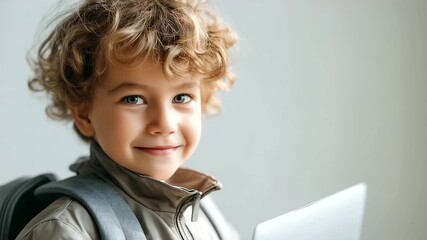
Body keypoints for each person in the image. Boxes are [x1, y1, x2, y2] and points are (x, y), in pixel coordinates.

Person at [16, 0, 238, 239]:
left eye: (181, 97)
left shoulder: (202, 211)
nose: (164, 124)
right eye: (133, 99)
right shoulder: (65, 231)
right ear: (84, 114)